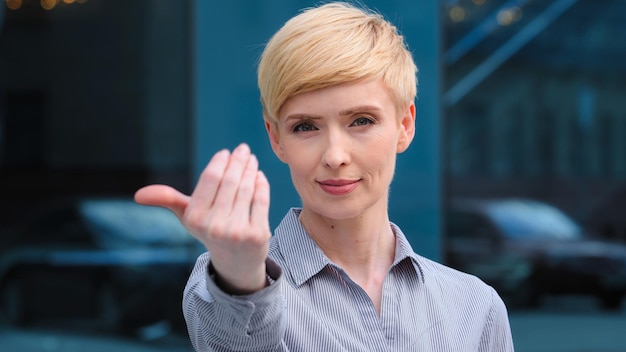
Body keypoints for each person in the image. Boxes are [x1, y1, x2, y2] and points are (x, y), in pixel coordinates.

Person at [135, 2, 515, 351]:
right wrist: (239, 278)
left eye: (361, 121)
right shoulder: (226, 282)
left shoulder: (475, 307)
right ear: (276, 138)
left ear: (405, 125)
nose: (335, 156)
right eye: (305, 127)